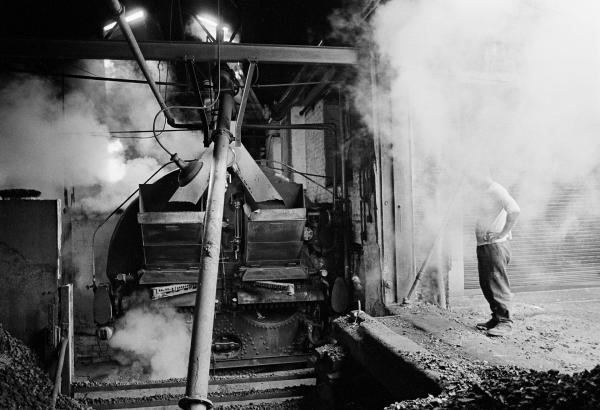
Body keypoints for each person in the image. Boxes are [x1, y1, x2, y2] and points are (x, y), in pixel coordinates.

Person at [470, 174, 520, 337]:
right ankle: (497, 318)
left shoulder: (496, 190)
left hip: (495, 247)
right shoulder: (485, 191)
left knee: (497, 284)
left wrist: (501, 233)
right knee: (488, 284)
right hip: (486, 246)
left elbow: (514, 210)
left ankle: (505, 322)